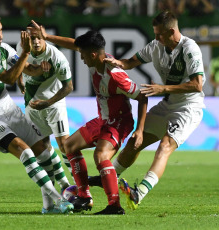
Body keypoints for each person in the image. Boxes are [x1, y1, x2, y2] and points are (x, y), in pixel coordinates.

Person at [89, 10, 205, 210]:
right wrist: (118, 63)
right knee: (135, 141)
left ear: (171, 31)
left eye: (159, 34)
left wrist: (162, 88)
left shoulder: (190, 49)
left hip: (188, 107)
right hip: (168, 103)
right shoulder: (155, 47)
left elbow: (197, 85)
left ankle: (139, 193)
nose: (156, 38)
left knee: (165, 146)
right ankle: (108, 177)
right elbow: (131, 62)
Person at [29, 20, 148, 215]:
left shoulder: (115, 74)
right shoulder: (95, 62)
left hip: (119, 122)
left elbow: (142, 97)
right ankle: (84, 196)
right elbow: (75, 44)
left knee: (100, 156)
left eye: (83, 55)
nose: (81, 58)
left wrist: (140, 130)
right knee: (69, 145)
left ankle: (114, 206)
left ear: (93, 54)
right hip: (103, 120)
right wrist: (46, 37)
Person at [0, 11, 73, 214]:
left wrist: (45, 68)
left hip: (10, 110)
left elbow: (29, 70)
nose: (0, 36)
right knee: (25, 151)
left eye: (0, 31)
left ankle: (58, 196)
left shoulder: (4, 49)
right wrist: (24, 53)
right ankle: (59, 200)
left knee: (44, 149)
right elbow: (9, 78)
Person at [15, 22, 74, 191]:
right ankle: (62, 187)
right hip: (32, 105)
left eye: (38, 38)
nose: (35, 42)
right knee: (42, 148)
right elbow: (19, 67)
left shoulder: (56, 56)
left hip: (54, 105)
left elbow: (68, 86)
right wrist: (20, 82)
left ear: (44, 37)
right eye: (32, 38)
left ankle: (81, 187)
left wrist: (47, 103)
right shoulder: (22, 49)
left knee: (65, 146)